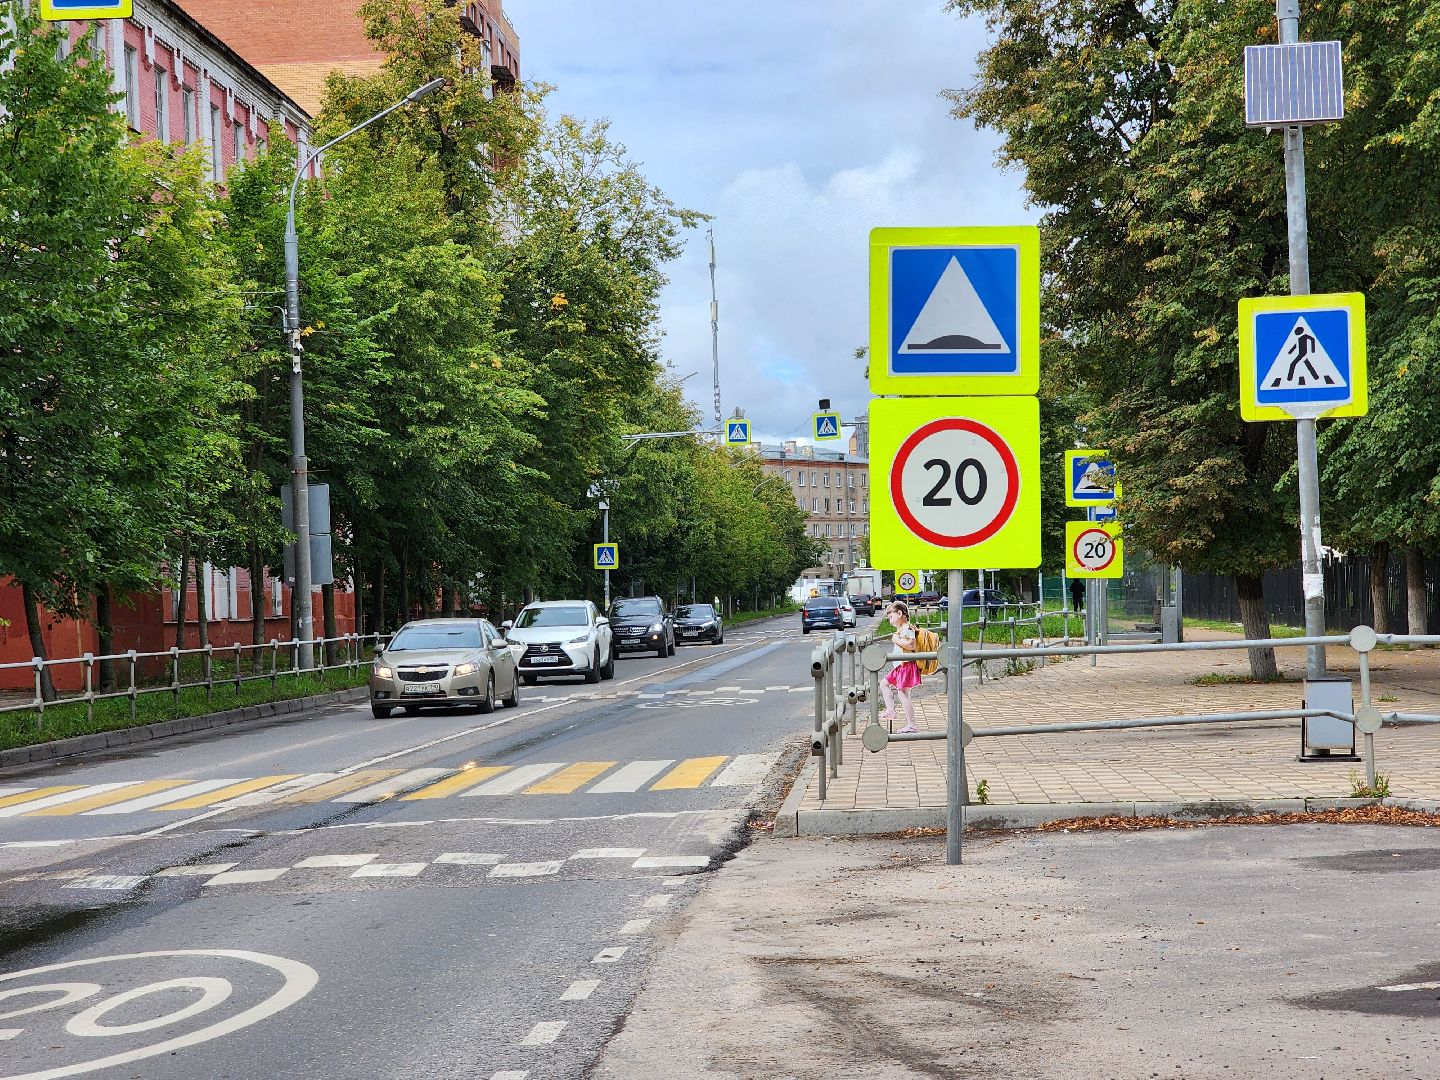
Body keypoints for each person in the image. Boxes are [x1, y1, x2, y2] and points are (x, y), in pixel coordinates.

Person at [879, 600, 921, 734]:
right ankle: (891, 711)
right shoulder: (903, 629)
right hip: (901, 665)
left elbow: (911, 645)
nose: (890, 620)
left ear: (899, 613)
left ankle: (911, 725)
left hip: (906, 665)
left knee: (902, 693)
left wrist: (895, 639)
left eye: (891, 617)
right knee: (884, 684)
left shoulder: (907, 628)